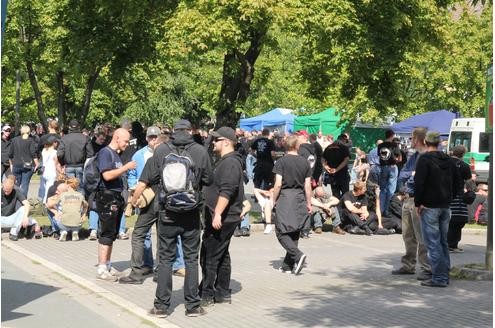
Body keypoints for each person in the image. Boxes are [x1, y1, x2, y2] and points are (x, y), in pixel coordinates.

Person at [131, 119, 212, 317]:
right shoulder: (200, 151)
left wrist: (133, 200)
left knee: (165, 259)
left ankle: (161, 306)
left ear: (173, 131)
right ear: (190, 131)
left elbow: (146, 178)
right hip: (192, 212)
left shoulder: (161, 150)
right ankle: (192, 306)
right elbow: (209, 179)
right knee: (191, 259)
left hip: (167, 212)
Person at [200, 126, 244, 307]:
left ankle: (207, 294)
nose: (213, 143)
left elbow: (227, 191)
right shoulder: (226, 161)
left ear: (226, 142)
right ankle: (223, 291)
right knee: (222, 253)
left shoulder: (230, 163)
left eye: (216, 140)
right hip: (224, 216)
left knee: (210, 254)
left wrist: (217, 213)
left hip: (224, 217)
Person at [94, 128, 137, 281]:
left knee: (112, 233)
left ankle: (108, 264)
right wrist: (126, 167)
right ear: (117, 138)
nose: (127, 144)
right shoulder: (106, 153)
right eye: (125, 141)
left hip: (116, 196)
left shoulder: (116, 155)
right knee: (106, 233)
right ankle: (101, 268)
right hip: (106, 196)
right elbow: (106, 175)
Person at [414, 131, 456, 287]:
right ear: (439, 142)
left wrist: (418, 203)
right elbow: (458, 182)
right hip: (445, 206)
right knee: (443, 242)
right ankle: (444, 274)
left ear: (425, 141)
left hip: (430, 206)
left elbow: (419, 183)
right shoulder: (449, 160)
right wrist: (450, 198)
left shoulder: (424, 159)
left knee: (433, 243)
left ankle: (439, 278)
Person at [392, 127, 431, 280]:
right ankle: (408, 265)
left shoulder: (427, 156)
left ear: (417, 139)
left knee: (421, 235)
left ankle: (427, 267)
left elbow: (421, 178)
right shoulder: (414, 156)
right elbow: (403, 175)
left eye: (411, 138)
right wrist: (412, 175)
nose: (410, 141)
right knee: (407, 234)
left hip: (418, 199)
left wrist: (412, 176)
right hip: (407, 198)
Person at [272, 135, 312, 275]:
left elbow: (277, 185)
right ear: (297, 146)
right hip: (299, 196)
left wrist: (273, 200)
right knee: (294, 230)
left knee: (281, 231)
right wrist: (309, 203)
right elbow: (307, 186)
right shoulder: (305, 162)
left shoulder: (281, 162)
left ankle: (298, 255)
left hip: (285, 196)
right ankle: (287, 265)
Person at [1, 175, 42, 240]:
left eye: (8, 191)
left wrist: (25, 217)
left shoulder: (16, 192)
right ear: (3, 186)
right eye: (5, 190)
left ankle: (13, 233)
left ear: (12, 188)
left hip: (11, 218)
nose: (6, 193)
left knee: (23, 209)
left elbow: (27, 204)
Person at [57, 119, 94, 192]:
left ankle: (72, 202)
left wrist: (62, 163)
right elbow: (91, 154)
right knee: (81, 187)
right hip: (81, 166)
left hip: (69, 166)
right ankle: (81, 202)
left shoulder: (64, 138)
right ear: (79, 127)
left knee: (70, 188)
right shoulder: (85, 138)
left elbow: (60, 154)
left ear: (69, 127)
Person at [447, 145, 472, 253]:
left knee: (448, 219)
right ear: (463, 154)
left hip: (445, 195)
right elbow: (469, 182)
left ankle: (448, 244)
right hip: (458, 196)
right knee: (458, 220)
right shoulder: (465, 166)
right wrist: (470, 190)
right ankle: (452, 244)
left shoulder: (445, 163)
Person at [9, 125, 39, 197]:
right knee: (25, 184)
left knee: (16, 184)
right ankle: (23, 201)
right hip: (27, 166)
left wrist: (11, 165)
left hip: (16, 164)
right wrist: (37, 164)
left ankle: (15, 200)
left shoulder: (14, 140)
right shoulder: (31, 140)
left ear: (21, 131)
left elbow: (10, 154)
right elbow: (33, 153)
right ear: (29, 132)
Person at [378, 129, 402, 216]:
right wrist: (395, 160)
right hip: (392, 167)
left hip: (383, 167)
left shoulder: (380, 145)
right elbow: (399, 158)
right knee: (391, 190)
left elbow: (380, 155)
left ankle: (381, 209)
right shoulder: (394, 145)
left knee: (383, 190)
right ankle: (387, 210)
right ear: (392, 136)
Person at [322, 134, 351, 199]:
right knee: (345, 195)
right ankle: (344, 208)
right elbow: (346, 160)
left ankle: (337, 208)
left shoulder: (328, 147)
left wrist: (326, 167)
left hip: (332, 175)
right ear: (343, 139)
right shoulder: (344, 147)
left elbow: (323, 159)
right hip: (342, 175)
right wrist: (337, 169)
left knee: (335, 196)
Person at [41, 136, 61, 203]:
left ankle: (43, 201)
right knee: (49, 188)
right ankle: (46, 202)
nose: (57, 143)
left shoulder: (44, 150)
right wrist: (60, 172)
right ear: (54, 143)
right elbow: (56, 164)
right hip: (51, 172)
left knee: (43, 188)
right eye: (56, 142)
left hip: (44, 172)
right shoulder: (55, 152)